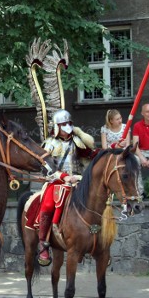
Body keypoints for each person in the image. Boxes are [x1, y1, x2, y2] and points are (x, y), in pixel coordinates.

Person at [37, 109, 94, 266]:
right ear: (56, 127)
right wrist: (63, 177)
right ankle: (43, 243)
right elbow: (46, 168)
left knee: (97, 203)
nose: (67, 127)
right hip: (56, 182)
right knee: (48, 204)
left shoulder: (79, 141)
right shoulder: (49, 144)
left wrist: (114, 148)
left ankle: (97, 241)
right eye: (63, 124)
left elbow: (92, 157)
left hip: (78, 181)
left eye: (69, 124)